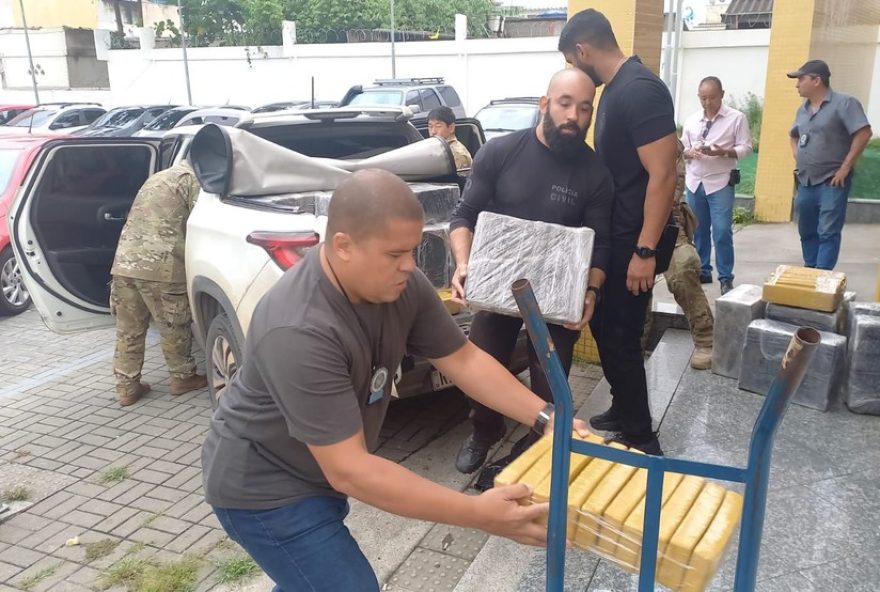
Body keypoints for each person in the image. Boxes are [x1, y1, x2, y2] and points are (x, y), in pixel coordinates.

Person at [201, 169, 589, 592]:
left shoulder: (400, 285)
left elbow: (463, 359)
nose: (410, 265)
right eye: (394, 254)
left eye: (414, 249)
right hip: (265, 487)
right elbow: (351, 470)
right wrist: (479, 513)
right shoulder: (299, 329)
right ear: (343, 245)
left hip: (317, 473)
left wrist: (548, 417)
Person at [448, 68, 613, 474]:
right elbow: (463, 217)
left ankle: (539, 448)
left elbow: (601, 245)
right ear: (544, 104)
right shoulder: (500, 153)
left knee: (550, 385)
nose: (574, 115)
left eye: (585, 107)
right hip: (495, 289)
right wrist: (464, 265)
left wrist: (590, 292)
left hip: (556, 301)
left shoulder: (595, 174)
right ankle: (485, 429)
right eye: (565, 103)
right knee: (482, 366)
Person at [559, 8, 679, 455]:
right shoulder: (616, 90)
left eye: (572, 61)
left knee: (622, 336)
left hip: (636, 241)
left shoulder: (640, 90)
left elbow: (662, 175)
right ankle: (623, 407)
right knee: (609, 329)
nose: (574, 71)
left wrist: (645, 250)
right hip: (620, 237)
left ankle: (641, 437)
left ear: (582, 50)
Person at [110, 160, 207, 406]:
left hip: (125, 262)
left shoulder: (158, 177)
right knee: (173, 324)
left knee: (128, 329)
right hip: (160, 265)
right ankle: (183, 377)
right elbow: (202, 223)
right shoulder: (193, 180)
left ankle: (127, 387)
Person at [788, 59, 872, 270]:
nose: (797, 84)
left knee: (828, 230)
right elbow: (793, 136)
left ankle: (822, 275)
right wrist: (799, 157)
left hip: (831, 181)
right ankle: (811, 268)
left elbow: (863, 132)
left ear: (817, 80)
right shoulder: (803, 110)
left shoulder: (844, 103)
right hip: (805, 180)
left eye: (801, 79)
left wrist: (845, 167)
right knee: (806, 228)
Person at [644, 141, 715, 370]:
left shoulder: (667, 141)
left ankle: (706, 340)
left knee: (684, 266)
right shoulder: (617, 135)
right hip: (628, 224)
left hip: (667, 222)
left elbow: (671, 189)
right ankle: (635, 344)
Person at [681, 76, 752, 295]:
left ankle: (725, 277)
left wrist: (723, 151)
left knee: (721, 230)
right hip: (695, 181)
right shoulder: (692, 120)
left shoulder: (736, 118)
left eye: (712, 97)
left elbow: (746, 147)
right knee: (698, 229)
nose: (707, 103)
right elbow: (682, 149)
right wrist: (688, 152)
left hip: (720, 180)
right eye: (703, 98)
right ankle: (703, 269)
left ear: (722, 94)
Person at [427, 106, 473, 170]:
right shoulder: (437, 148)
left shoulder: (458, 154)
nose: (433, 132)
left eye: (438, 126)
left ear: (451, 128)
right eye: (430, 126)